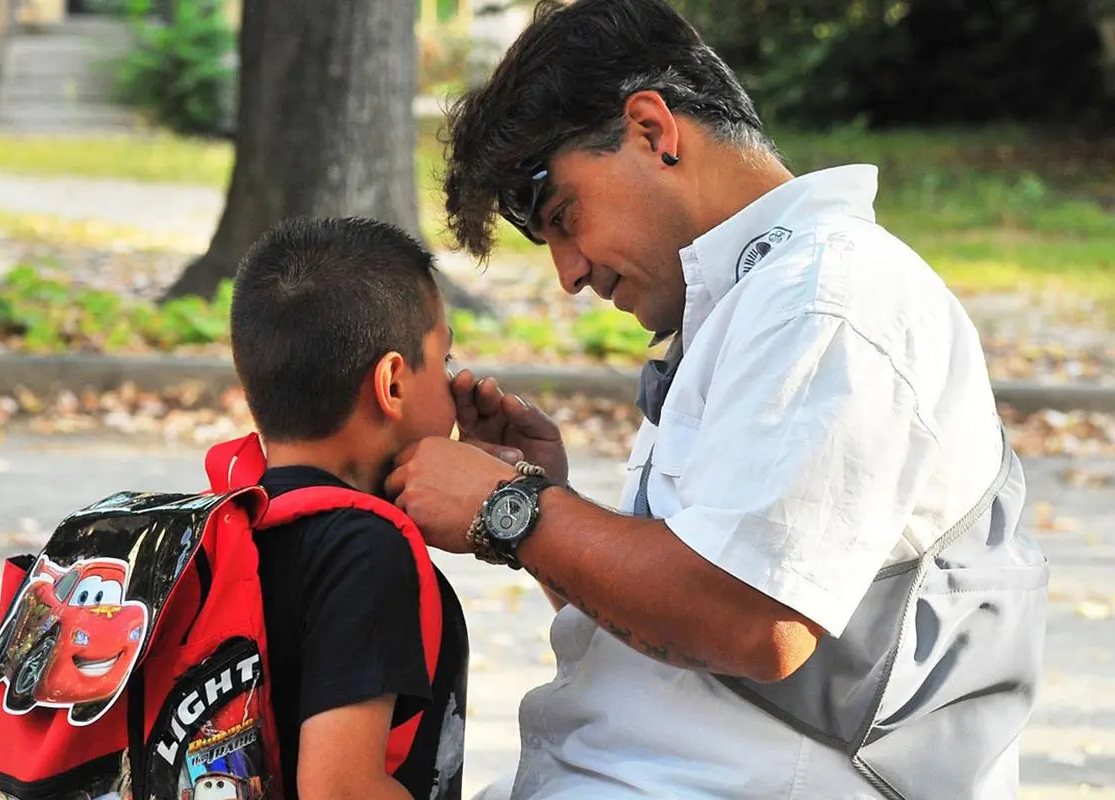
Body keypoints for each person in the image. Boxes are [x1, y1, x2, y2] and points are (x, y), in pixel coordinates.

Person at [383, 1, 1049, 798]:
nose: (569, 273)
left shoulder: (829, 302)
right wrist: (549, 511)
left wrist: (513, 509)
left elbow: (754, 622)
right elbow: (678, 630)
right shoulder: (757, 301)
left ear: (654, 131)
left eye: (565, 218)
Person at [231, 216, 469, 799]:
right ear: (392, 383)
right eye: (444, 360)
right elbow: (339, 791)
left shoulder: (238, 519)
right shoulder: (365, 551)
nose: (460, 383)